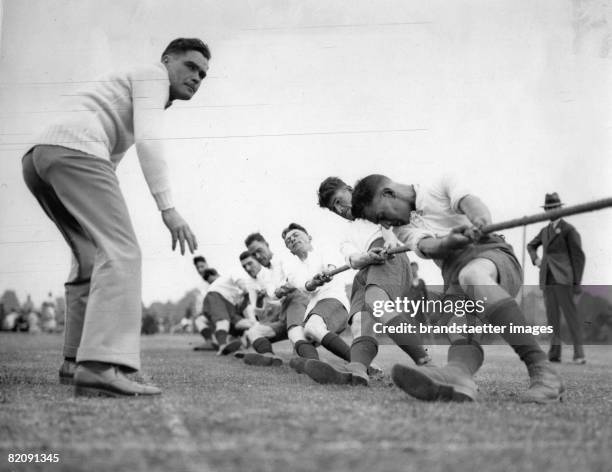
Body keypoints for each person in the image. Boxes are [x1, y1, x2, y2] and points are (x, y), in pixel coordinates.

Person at [21, 38, 210, 397]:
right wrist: (168, 209)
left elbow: (113, 155)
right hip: (76, 150)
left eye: (203, 74)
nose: (197, 77)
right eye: (190, 66)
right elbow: (150, 140)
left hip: (40, 157)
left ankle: (74, 361)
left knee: (90, 257)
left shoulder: (136, 88)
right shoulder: (153, 77)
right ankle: (99, 368)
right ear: (166, 60)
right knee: (123, 252)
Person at [351, 174, 564, 404]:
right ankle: (459, 375)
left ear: (389, 193)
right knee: (458, 328)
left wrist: (480, 220)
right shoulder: (403, 229)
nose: (387, 225)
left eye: (382, 216)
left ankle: (543, 372)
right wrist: (448, 242)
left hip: (492, 255)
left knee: (472, 275)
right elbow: (428, 245)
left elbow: (472, 203)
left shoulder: (438, 185)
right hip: (454, 276)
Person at [316, 177, 431, 386]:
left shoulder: (373, 205)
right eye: (335, 208)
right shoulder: (346, 235)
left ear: (350, 190)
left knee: (377, 303)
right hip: (364, 269)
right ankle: (357, 369)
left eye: (340, 200)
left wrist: (388, 241)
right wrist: (366, 257)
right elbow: (353, 258)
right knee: (360, 321)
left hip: (390, 257)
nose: (341, 209)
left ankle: (428, 365)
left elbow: (390, 227)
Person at [527, 192, 586, 364]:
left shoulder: (569, 230)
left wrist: (577, 283)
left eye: (555, 207)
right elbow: (530, 245)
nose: (552, 211)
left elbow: (578, 258)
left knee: (570, 316)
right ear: (545, 211)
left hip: (564, 279)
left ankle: (579, 354)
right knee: (552, 318)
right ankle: (554, 353)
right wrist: (535, 259)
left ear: (560, 208)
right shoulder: (544, 231)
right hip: (547, 279)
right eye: (549, 208)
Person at [201, 252, 266, 356]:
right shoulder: (239, 274)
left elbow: (246, 306)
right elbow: (241, 284)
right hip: (216, 296)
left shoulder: (256, 284)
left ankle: (243, 345)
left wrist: (254, 322)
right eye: (245, 266)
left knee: (250, 324)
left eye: (250, 264)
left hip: (230, 306)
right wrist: (243, 288)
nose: (247, 268)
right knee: (223, 321)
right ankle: (222, 346)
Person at [191, 255, 217, 351]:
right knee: (199, 320)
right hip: (208, 313)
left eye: (202, 266)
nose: (200, 269)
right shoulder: (200, 284)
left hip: (220, 311)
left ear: (207, 264)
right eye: (198, 268)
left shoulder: (214, 277)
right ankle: (210, 342)